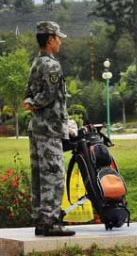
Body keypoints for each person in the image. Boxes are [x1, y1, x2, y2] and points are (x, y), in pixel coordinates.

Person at [22, 21, 76, 237]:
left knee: (39, 175)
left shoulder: (35, 63)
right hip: (50, 129)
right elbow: (49, 95)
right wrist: (34, 103)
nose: (60, 42)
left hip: (36, 128)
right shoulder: (52, 65)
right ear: (51, 39)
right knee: (53, 175)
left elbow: (27, 92)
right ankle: (52, 222)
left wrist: (29, 102)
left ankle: (41, 222)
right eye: (58, 38)